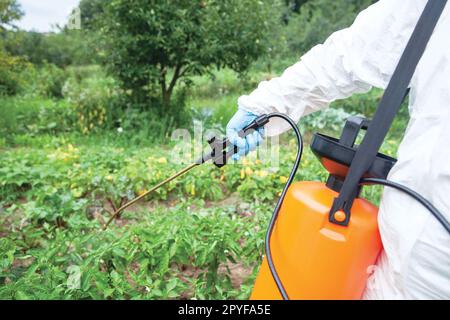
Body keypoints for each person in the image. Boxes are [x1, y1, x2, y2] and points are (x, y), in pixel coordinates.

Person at [226, 0, 450, 299]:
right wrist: (266, 107)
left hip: (423, 244)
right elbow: (357, 51)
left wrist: (267, 105)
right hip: (422, 252)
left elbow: (355, 52)